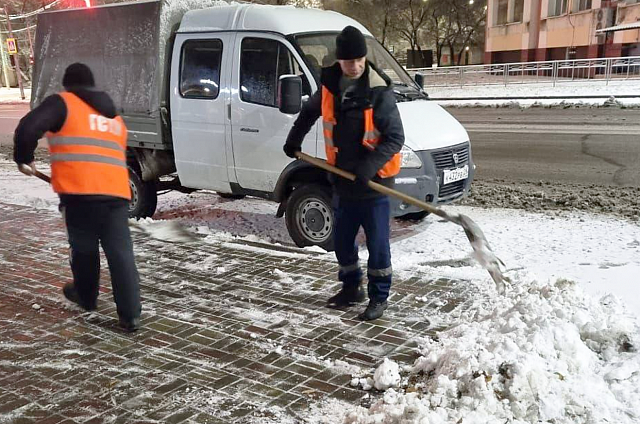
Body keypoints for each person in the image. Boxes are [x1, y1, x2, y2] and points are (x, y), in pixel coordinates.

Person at [283, 26, 405, 320]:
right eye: (350, 61)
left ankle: (379, 296)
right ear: (339, 61)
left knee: (377, 245)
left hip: (374, 183)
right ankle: (352, 288)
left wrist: (370, 166)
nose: (356, 66)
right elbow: (310, 112)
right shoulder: (330, 85)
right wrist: (294, 139)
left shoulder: (379, 90)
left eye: (360, 60)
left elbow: (395, 137)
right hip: (342, 179)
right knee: (341, 240)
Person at [14, 63, 141, 332]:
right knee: (121, 254)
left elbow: (28, 128)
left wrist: (23, 158)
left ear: (69, 85)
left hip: (80, 194)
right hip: (117, 193)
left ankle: (86, 296)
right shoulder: (113, 116)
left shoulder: (64, 103)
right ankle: (130, 314)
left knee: (83, 249)